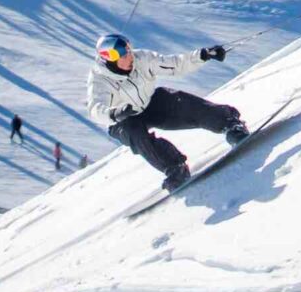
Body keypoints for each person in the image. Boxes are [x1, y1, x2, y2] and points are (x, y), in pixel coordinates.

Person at [87, 33, 240, 190]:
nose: (130, 57)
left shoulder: (142, 59)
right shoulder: (100, 79)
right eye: (124, 55)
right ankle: (175, 168)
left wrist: (203, 55)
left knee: (175, 100)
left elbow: (175, 64)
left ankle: (231, 125)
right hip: (122, 119)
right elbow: (95, 109)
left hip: (149, 103)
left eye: (130, 50)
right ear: (110, 58)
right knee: (135, 133)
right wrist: (115, 113)